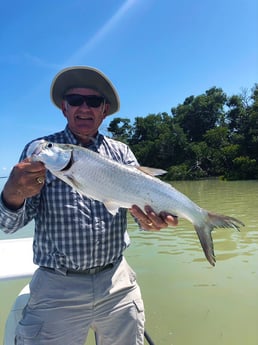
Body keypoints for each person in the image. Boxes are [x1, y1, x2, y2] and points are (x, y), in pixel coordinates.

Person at [0, 66, 178, 345]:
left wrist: (149, 222)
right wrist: (12, 193)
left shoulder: (121, 153)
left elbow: (140, 216)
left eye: (94, 101)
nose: (84, 107)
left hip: (117, 283)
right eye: (75, 100)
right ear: (64, 107)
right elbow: (7, 226)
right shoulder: (42, 151)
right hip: (56, 289)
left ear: (104, 110)